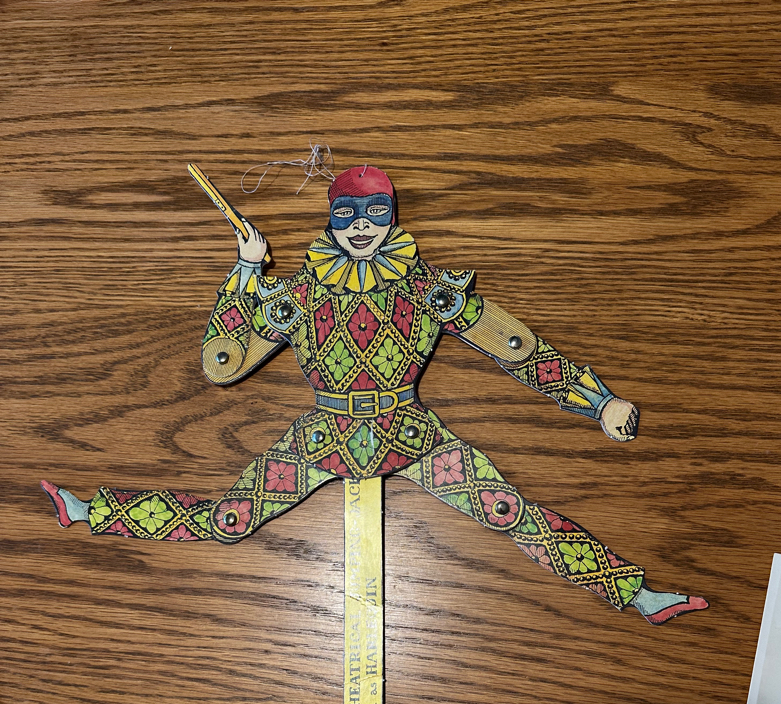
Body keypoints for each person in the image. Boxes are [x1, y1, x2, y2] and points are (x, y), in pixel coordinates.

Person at [42, 165, 708, 625]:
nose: (361, 226)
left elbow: (514, 347)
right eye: (347, 214)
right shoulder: (300, 294)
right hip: (323, 437)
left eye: (375, 213)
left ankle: (636, 594)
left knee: (509, 511)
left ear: (392, 218)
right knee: (230, 521)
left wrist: (597, 401)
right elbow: (222, 363)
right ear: (331, 220)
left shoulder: (425, 287)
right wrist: (244, 271)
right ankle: (91, 510)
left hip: (411, 434)